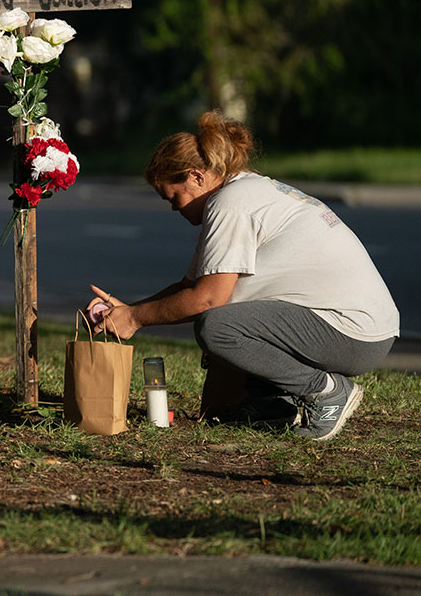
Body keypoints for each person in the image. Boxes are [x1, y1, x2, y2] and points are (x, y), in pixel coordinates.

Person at [86, 112, 398, 441]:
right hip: (359, 328)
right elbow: (189, 288)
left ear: (195, 176)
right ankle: (278, 404)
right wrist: (127, 310)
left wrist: (135, 318)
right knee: (219, 406)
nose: (174, 209)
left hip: (353, 333)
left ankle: (327, 393)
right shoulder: (240, 192)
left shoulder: (230, 204)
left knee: (217, 326)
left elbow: (207, 299)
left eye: (173, 197)